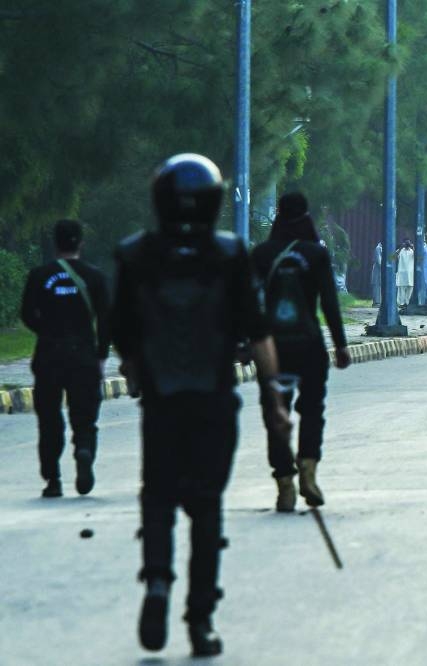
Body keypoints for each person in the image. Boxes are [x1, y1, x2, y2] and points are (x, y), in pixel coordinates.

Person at [111, 154, 291, 657]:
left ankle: (157, 583)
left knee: (159, 498)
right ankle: (200, 619)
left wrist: (134, 367)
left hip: (162, 403)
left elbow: (120, 331)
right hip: (213, 401)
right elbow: (258, 334)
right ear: (214, 202)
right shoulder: (230, 255)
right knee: (207, 508)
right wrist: (273, 402)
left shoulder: (135, 256)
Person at [250, 192, 351, 513]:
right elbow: (329, 303)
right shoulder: (316, 254)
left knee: (274, 414)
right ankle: (308, 471)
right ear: (306, 216)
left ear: (279, 215)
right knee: (312, 410)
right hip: (308, 344)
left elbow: (247, 304)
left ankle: (285, 487)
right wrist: (340, 344)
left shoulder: (261, 254)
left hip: (271, 347)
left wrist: (243, 343)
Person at [20, 219, 110, 498]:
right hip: (83, 355)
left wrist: (45, 331)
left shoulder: (39, 275)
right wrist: (101, 354)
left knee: (49, 419)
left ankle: (53, 479)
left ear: (55, 243)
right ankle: (83, 448)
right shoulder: (94, 277)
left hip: (49, 355)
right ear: (80, 243)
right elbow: (106, 319)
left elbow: (26, 314)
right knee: (85, 415)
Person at [394, 238, 415, 307]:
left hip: (410, 273)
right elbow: (391, 258)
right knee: (401, 289)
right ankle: (401, 303)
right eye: (406, 243)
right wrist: (400, 248)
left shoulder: (412, 251)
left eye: (408, 243)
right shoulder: (400, 251)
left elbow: (419, 258)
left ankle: (407, 303)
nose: (407, 245)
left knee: (410, 289)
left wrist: (413, 247)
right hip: (402, 273)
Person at [370, 241, 382, 307]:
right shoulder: (378, 248)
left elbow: (391, 258)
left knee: (380, 286)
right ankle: (376, 302)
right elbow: (379, 261)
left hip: (382, 270)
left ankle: (379, 301)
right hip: (378, 270)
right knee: (377, 286)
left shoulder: (384, 248)